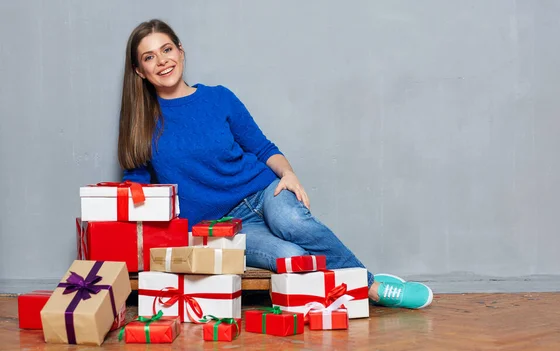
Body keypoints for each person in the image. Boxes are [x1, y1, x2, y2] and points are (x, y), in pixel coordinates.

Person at [118, 19, 433, 309]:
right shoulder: (142, 121)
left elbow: (262, 147)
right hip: (217, 229)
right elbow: (136, 183)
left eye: (167, 49)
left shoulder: (219, 98)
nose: (162, 61)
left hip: (262, 191)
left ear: (180, 50)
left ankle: (372, 287)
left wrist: (289, 174)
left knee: (293, 224)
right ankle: (364, 281)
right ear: (139, 70)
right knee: (291, 255)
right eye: (149, 57)